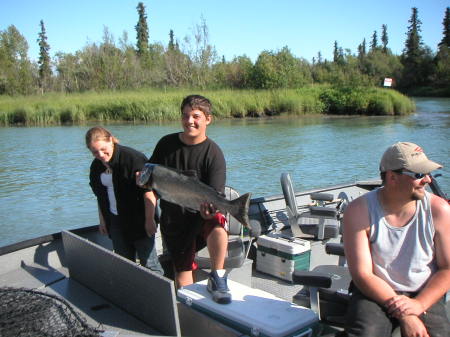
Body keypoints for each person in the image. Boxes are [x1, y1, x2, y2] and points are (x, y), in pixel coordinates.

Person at [343, 142, 450, 337]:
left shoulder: (439, 210)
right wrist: (407, 316)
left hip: (423, 289)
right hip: (374, 290)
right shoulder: (358, 211)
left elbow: (447, 269)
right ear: (392, 177)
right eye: (419, 175)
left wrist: (418, 304)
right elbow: (363, 274)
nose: (427, 180)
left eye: (427, 174)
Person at [142, 94, 231, 304]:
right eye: (185, 116)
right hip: (174, 221)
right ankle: (192, 313)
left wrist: (210, 211)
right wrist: (149, 217)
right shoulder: (166, 144)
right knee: (183, 279)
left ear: (208, 119)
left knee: (218, 224)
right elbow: (149, 184)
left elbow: (215, 196)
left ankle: (218, 277)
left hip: (201, 217)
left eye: (196, 116)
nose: (189, 121)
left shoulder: (214, 153)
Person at [86, 126, 163, 274]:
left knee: (150, 263)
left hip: (139, 219)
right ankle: (131, 293)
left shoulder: (133, 158)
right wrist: (102, 220)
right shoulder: (96, 166)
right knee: (124, 263)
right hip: (115, 220)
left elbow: (149, 192)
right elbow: (100, 195)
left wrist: (149, 220)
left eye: (103, 149)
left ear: (111, 140)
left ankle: (161, 295)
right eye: (95, 152)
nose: (101, 155)